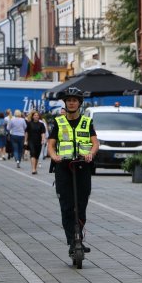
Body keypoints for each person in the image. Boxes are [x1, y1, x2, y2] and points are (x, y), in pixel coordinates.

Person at [47, 87, 99, 255]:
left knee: (81, 206)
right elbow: (51, 145)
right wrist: (54, 156)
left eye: (74, 100)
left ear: (79, 103)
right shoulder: (58, 122)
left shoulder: (87, 122)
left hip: (82, 167)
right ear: (65, 103)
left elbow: (95, 143)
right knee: (67, 207)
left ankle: (79, 238)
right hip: (63, 168)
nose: (71, 102)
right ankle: (72, 241)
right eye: (68, 100)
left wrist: (91, 153)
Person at [25, 110, 46, 174]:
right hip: (31, 141)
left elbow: (43, 133)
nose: (36, 116)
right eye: (35, 115)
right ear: (32, 116)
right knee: (33, 154)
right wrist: (25, 141)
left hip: (38, 141)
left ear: (39, 117)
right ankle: (33, 169)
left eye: (37, 115)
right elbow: (27, 133)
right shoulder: (29, 123)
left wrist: (43, 140)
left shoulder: (41, 124)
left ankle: (35, 168)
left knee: (37, 156)